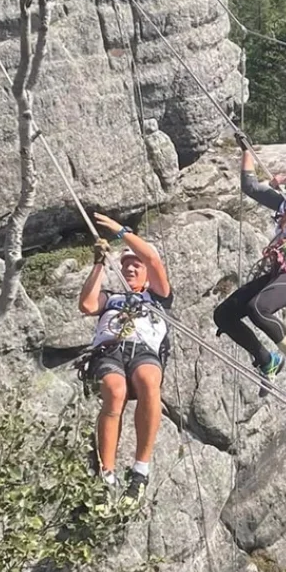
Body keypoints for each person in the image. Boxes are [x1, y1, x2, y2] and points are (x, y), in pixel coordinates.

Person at [213, 136, 286, 396]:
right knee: (224, 314)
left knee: (258, 308)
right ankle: (266, 361)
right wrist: (246, 151)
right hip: (280, 271)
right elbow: (250, 187)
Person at [77, 212, 172, 509]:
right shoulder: (111, 298)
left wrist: (122, 233)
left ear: (145, 274)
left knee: (148, 381)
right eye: (127, 265)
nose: (131, 269)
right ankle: (106, 476)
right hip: (110, 351)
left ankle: (139, 472)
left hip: (143, 350)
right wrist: (98, 265)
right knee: (115, 392)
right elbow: (87, 304)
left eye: (135, 266)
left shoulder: (158, 297)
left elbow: (154, 260)